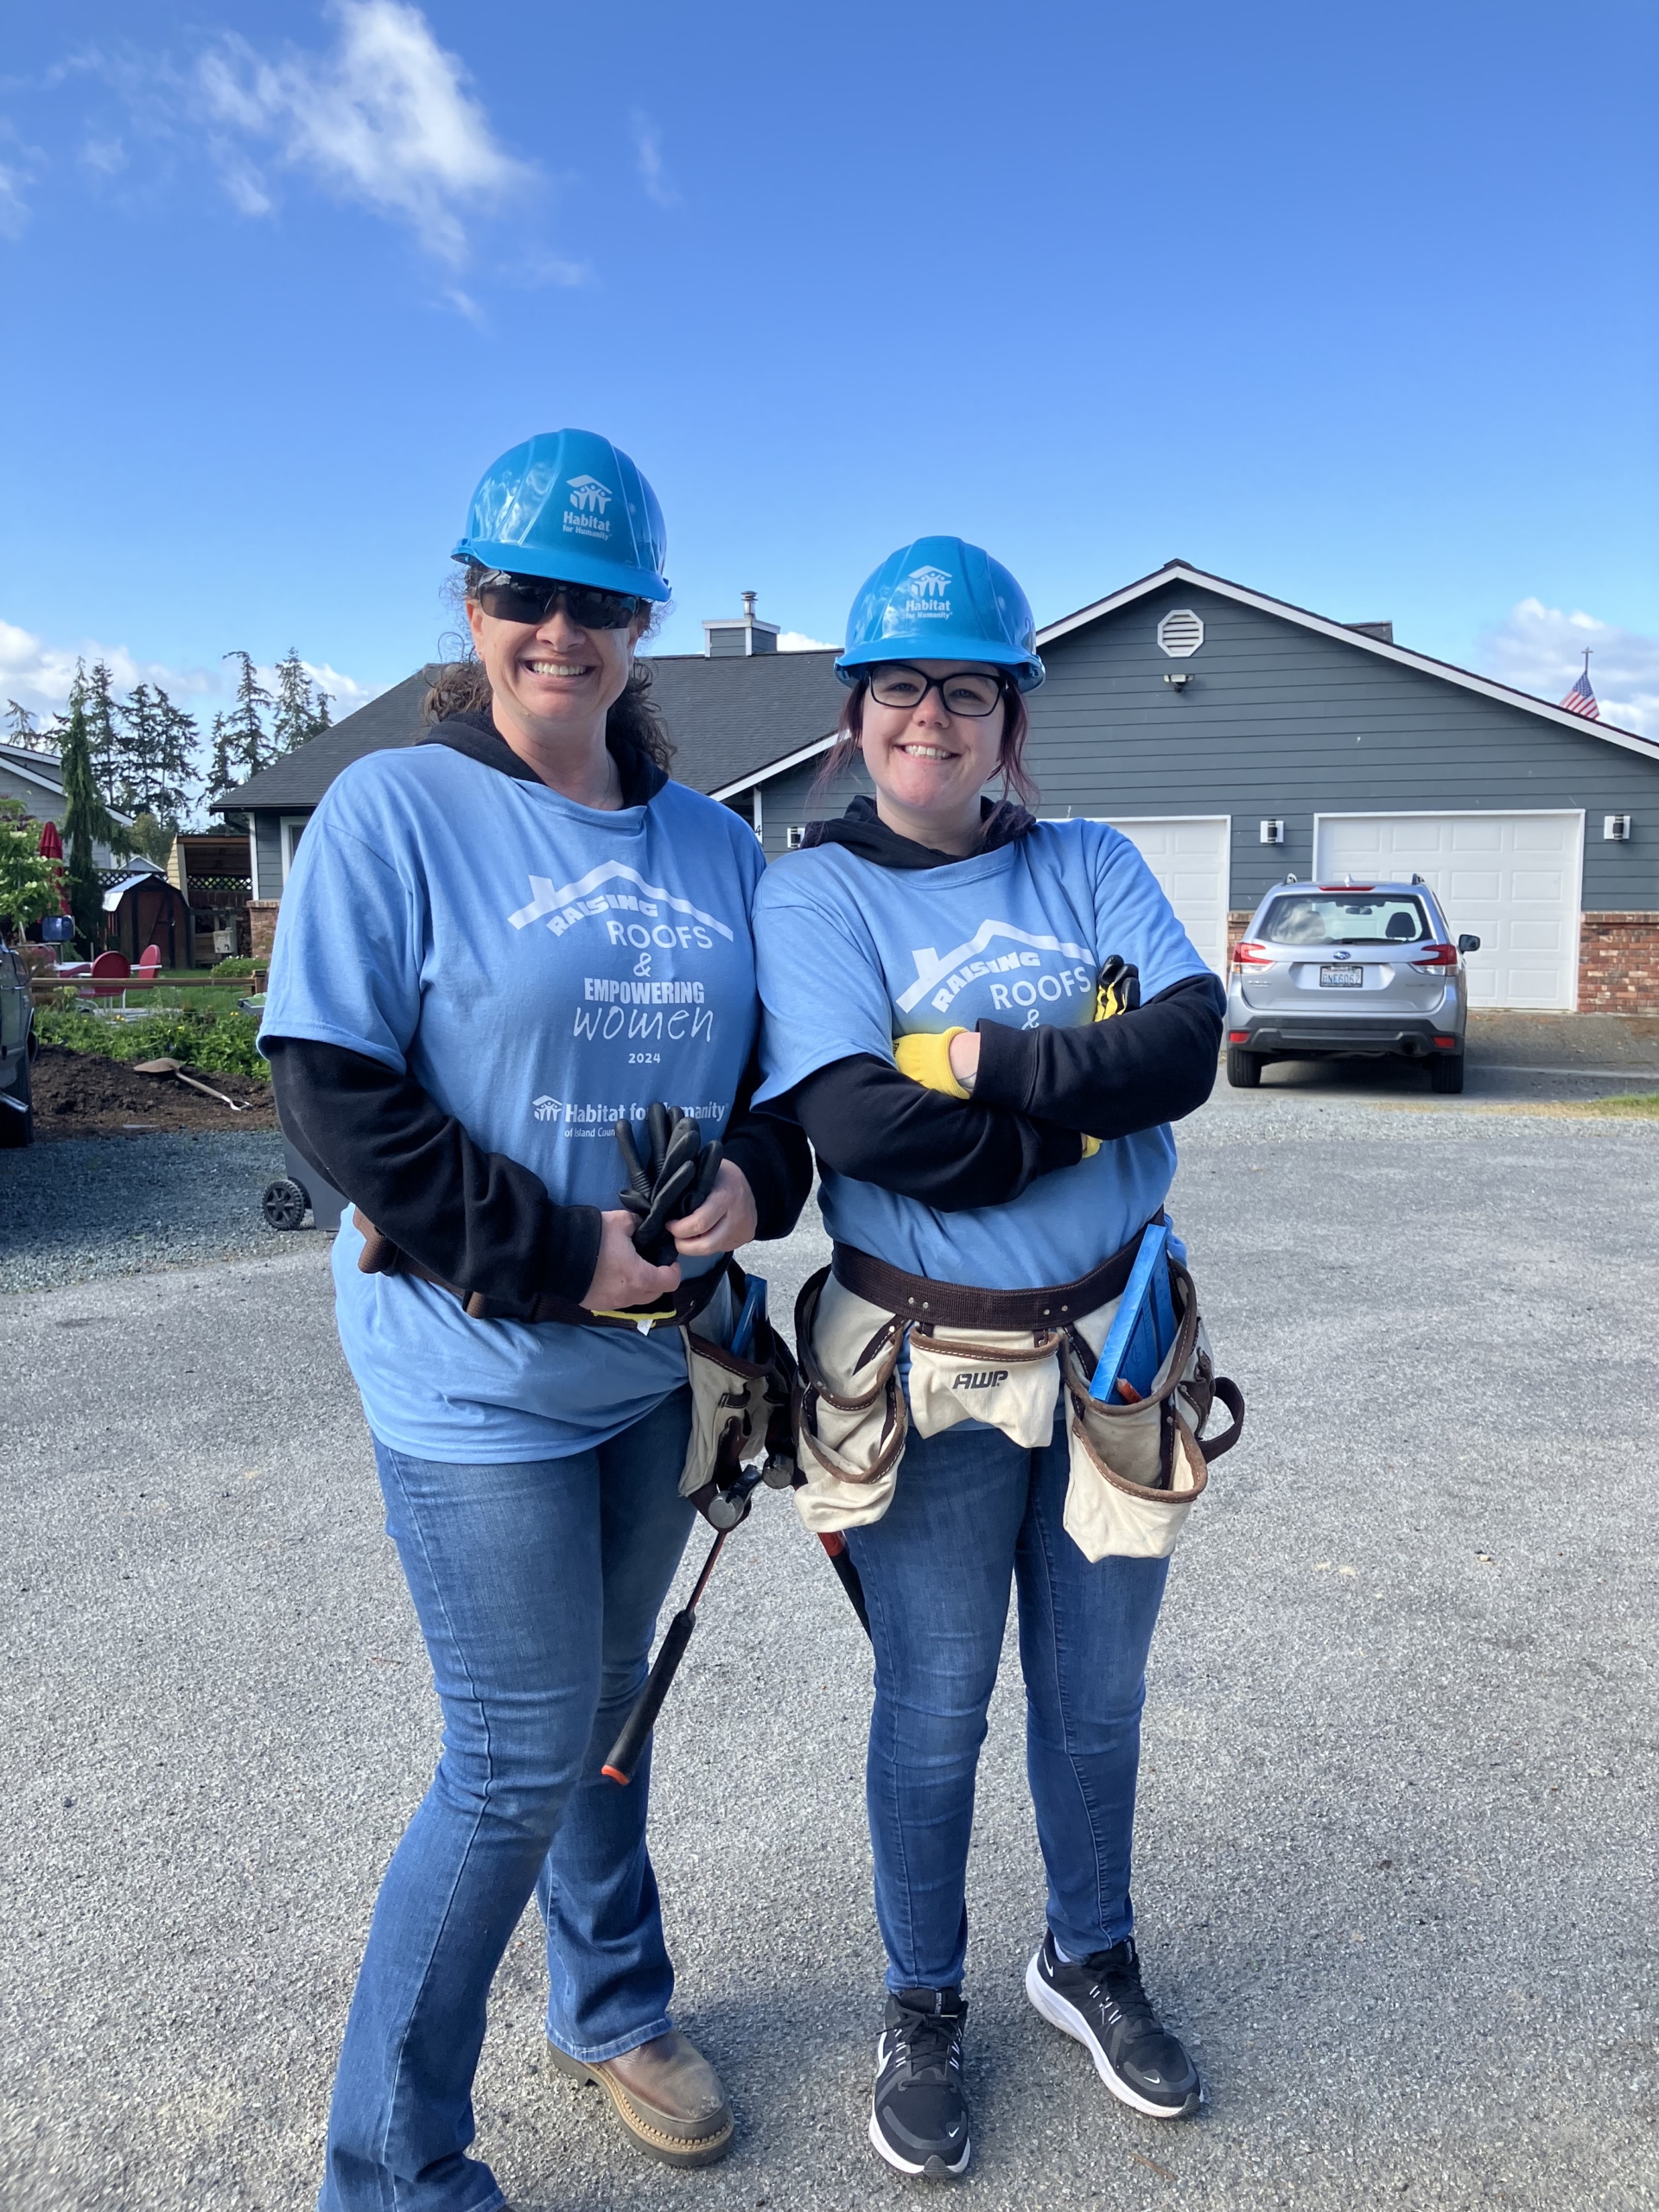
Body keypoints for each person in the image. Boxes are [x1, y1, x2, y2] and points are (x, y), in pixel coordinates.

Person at [261, 428, 810, 2212]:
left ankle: (614, 2002)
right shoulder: (394, 810)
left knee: (603, 1714)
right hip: (476, 1371)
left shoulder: (714, 849)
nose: (556, 628)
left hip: (661, 1367)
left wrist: (750, 1182)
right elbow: (334, 1093)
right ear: (474, 604)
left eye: (593, 598)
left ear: (642, 621)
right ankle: (394, 2166)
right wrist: (551, 1251)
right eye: (521, 593)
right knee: (510, 1757)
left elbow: (772, 1093)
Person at [751, 537, 1231, 2179]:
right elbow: (855, 1123)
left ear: (1011, 713)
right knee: (933, 1707)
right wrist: (1072, 1100)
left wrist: (969, 1056)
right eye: (902, 685)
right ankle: (923, 1999)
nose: (932, 717)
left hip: (1111, 1353)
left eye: (967, 688)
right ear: (856, 712)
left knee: (1096, 1704)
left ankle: (1084, 1957)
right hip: (921, 1368)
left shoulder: (1088, 860)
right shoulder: (815, 890)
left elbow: (1182, 1047)